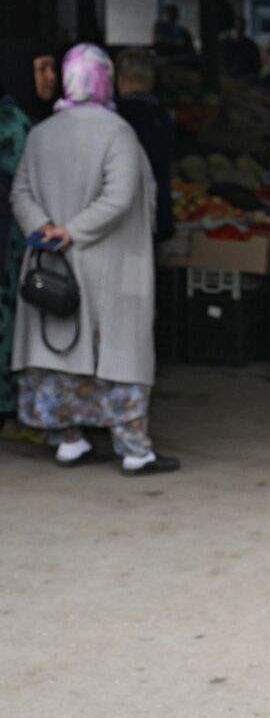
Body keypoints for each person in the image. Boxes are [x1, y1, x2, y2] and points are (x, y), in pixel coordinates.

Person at [10, 43, 179, 475]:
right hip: (108, 264)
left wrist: (47, 229)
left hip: (53, 264)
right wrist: (75, 231)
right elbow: (120, 197)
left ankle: (69, 440)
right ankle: (134, 450)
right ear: (105, 79)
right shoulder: (117, 132)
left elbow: (20, 192)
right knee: (116, 357)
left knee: (59, 351)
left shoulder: (41, 131)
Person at [115, 48, 176, 243]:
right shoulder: (162, 117)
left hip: (122, 219)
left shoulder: (114, 117)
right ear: (150, 81)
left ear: (121, 79)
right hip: (157, 214)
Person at [0, 62, 32, 427]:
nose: (49, 77)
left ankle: (9, 407)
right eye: (40, 69)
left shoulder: (13, 120)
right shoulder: (13, 121)